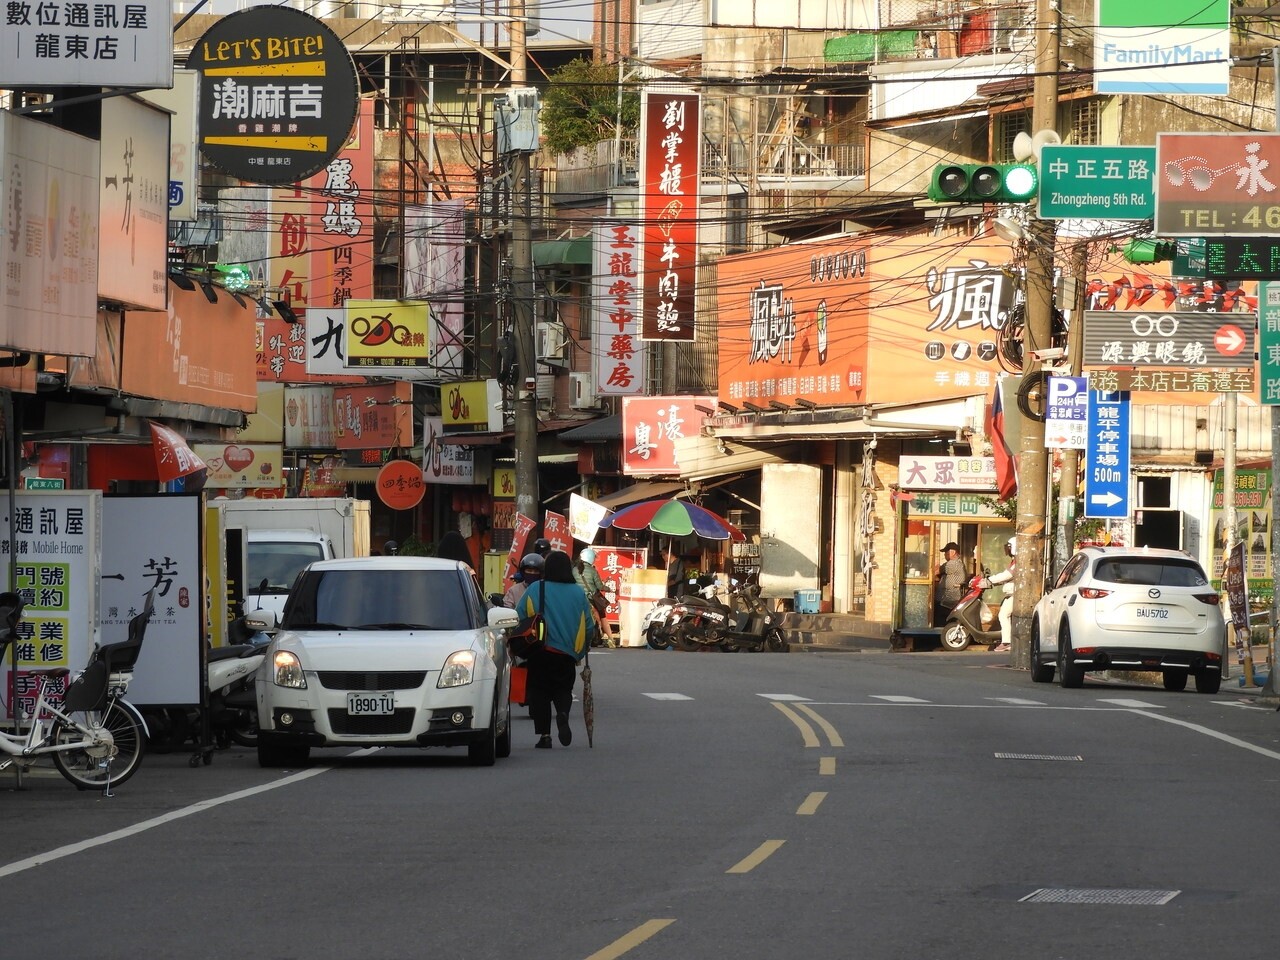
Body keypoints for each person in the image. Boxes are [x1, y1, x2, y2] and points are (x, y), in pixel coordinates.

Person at [516, 550, 595, 748]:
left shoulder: (536, 589)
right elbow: (588, 626)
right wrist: (581, 651)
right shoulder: (578, 593)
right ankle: (563, 713)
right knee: (563, 690)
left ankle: (545, 736)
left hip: (539, 651)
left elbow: (519, 615)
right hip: (567, 654)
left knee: (539, 693)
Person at [574, 546, 615, 647]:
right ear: (591, 558)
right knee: (603, 617)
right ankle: (610, 640)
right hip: (592, 599)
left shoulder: (574, 570)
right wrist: (610, 589)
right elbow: (600, 586)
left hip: (577, 599)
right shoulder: (592, 571)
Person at [986, 537, 1016, 652]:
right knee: (1005, 615)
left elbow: (1007, 575)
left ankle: (1007, 642)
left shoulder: (1017, 562)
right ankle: (1007, 641)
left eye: (1009, 547)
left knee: (1004, 615)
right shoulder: (1015, 561)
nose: (1007, 550)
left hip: (1015, 594)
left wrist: (989, 580)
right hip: (1012, 593)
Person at [933, 541, 966, 627]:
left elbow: (935, 571)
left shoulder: (953, 563)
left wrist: (935, 565)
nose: (944, 554)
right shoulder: (956, 563)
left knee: (940, 621)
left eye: (946, 552)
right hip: (947, 600)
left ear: (953, 552)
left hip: (948, 600)